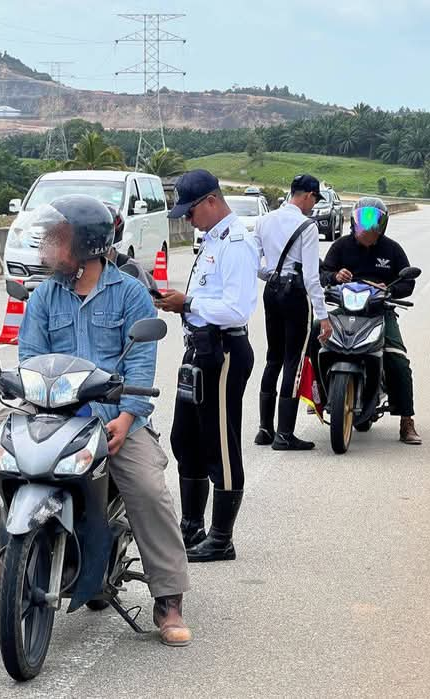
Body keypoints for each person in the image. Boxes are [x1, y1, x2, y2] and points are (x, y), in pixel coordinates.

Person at [0, 194, 191, 646]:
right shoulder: (45, 295)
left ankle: (168, 597)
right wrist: (20, 388)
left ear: (87, 245)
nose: (49, 248)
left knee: (147, 487)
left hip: (112, 415)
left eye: (58, 239)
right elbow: (30, 356)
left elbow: (142, 368)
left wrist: (128, 419)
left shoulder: (129, 294)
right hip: (48, 409)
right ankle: (2, 544)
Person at [154, 169, 259, 563]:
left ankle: (221, 537)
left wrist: (188, 304)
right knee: (186, 438)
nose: (186, 219)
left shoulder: (236, 243)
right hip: (198, 349)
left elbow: (235, 308)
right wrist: (178, 302)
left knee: (221, 444)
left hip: (224, 351)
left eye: (190, 211)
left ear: (211, 202)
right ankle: (192, 526)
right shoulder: (212, 239)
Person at [316, 196, 422, 445]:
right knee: (315, 334)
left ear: (382, 225)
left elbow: (408, 281)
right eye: (363, 221)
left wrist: (391, 289)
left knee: (397, 359)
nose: (368, 227)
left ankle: (406, 420)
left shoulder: (392, 249)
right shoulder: (341, 246)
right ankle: (317, 395)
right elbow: (322, 273)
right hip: (344, 309)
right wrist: (334, 275)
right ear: (354, 222)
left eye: (374, 222)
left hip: (379, 310)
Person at [253, 174, 332, 451]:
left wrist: (273, 275)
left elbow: (254, 261)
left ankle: (265, 429)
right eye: (314, 200)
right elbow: (311, 277)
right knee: (293, 362)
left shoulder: (264, 221)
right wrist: (323, 316)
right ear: (308, 195)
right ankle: (284, 434)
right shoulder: (306, 226)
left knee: (272, 358)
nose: (313, 206)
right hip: (295, 297)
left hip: (271, 293)